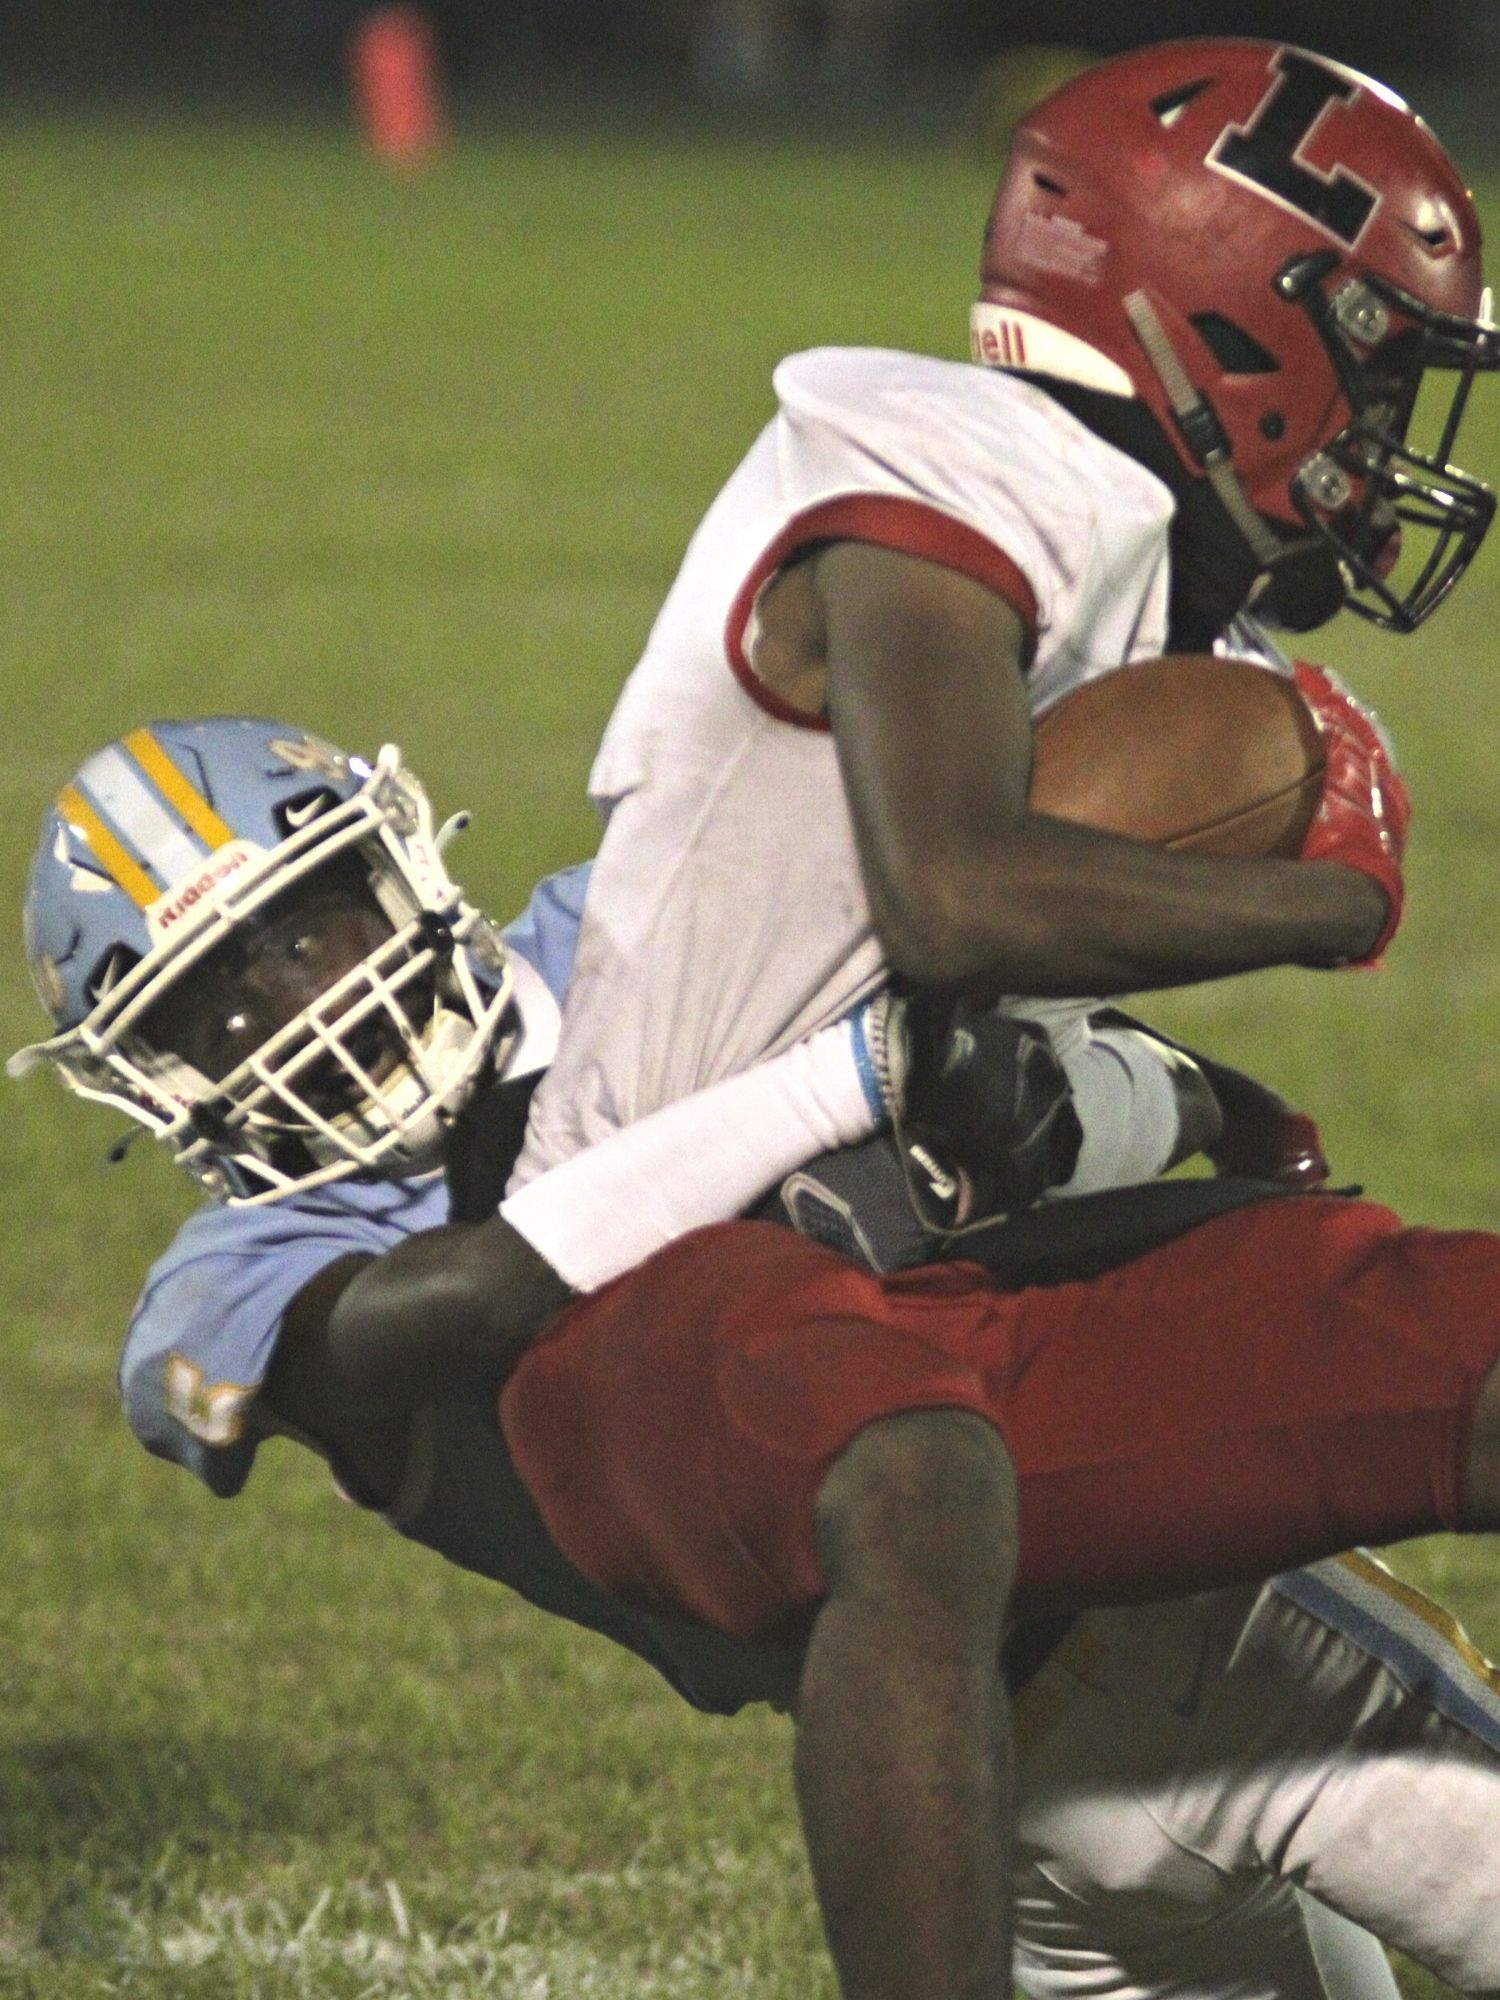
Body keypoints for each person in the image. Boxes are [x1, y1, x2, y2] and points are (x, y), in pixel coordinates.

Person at [459, 37, 1500, 1998]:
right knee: (916, 1465)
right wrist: (1321, 897)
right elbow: (955, 892)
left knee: (1405, 1306)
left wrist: (1201, 1106)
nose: (1391, 433)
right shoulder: (939, 455)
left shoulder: (1162, 593)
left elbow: (954, 1037)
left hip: (927, 1313)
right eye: (1372, 362)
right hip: (687, 1294)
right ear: (1226, 320)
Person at [12, 714, 1500, 1999]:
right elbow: (445, 1307)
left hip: (1219, 1630)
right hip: (976, 1801)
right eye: (215, 999)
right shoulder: (229, 1285)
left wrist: (1107, 1112)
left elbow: (1055, 1070)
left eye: (306, 923)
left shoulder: (646, 928)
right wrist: (831, 1089)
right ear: (154, 1080)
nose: (297, 1005)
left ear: (391, 862)